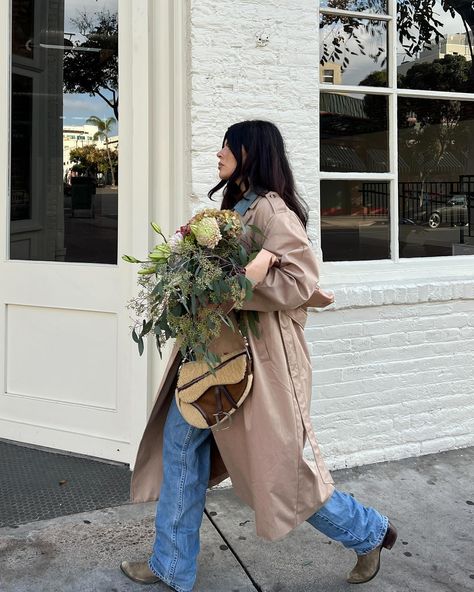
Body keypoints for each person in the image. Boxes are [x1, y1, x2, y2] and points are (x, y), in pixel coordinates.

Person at [120, 120, 397, 592]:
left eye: (227, 145)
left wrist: (238, 284)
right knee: (181, 450)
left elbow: (300, 282)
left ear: (251, 152)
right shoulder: (236, 207)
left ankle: (367, 531)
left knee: (277, 475)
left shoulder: (273, 210)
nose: (219, 153)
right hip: (213, 357)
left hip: (252, 366)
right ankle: (171, 563)